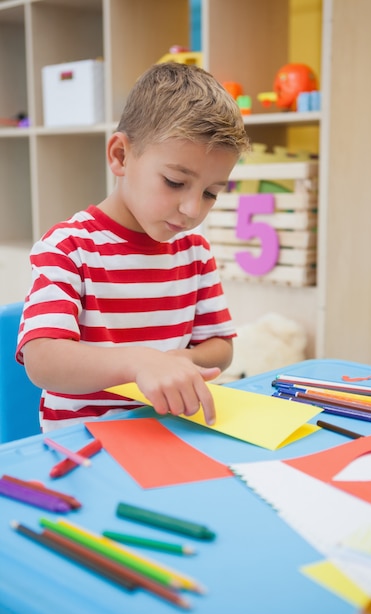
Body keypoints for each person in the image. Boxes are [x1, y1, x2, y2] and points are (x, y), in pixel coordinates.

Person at [16, 62, 250, 432]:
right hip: (86, 446)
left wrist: (177, 361)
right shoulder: (67, 248)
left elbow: (221, 345)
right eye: (175, 182)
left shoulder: (196, 252)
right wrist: (139, 363)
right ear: (121, 156)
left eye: (210, 193)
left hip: (167, 432)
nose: (192, 210)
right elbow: (42, 360)